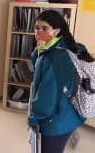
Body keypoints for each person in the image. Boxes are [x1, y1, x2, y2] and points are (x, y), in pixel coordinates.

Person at [28, 9, 94, 153]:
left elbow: (45, 99)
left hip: (56, 121)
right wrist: (38, 52)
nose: (39, 32)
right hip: (73, 113)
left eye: (44, 28)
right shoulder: (73, 46)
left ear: (56, 31)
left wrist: (33, 120)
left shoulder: (50, 58)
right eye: (37, 28)